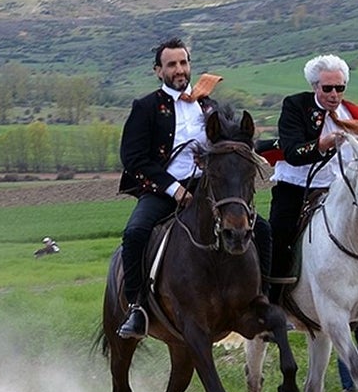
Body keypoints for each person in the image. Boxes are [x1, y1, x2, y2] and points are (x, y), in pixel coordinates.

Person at [116, 37, 272, 339]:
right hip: (164, 190)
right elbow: (133, 158)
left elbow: (230, 143)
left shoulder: (209, 105)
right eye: (171, 64)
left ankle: (261, 301)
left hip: (209, 190)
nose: (179, 69)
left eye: (183, 63)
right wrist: (173, 189)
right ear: (158, 71)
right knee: (135, 232)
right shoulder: (146, 107)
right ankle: (137, 307)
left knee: (261, 230)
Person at [259, 53, 358, 392]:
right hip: (298, 186)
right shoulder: (295, 106)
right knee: (278, 234)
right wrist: (322, 143)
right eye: (328, 88)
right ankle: (273, 304)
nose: (334, 95)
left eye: (339, 88)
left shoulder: (353, 113)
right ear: (315, 86)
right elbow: (294, 151)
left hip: (339, 191)